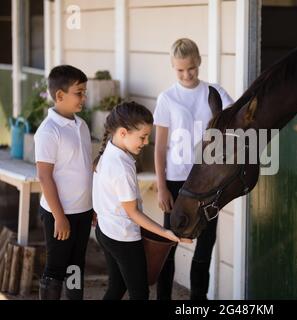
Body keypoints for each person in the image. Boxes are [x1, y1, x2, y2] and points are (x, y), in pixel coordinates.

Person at [154, 38, 234, 300]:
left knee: (205, 245)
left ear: (198, 62)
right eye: (180, 70)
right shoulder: (167, 98)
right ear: (172, 68)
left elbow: (235, 122)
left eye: (191, 68)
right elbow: (159, 146)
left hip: (208, 182)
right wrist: (162, 186)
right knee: (170, 243)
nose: (186, 74)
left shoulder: (215, 93)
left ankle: (198, 302)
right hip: (177, 182)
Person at [93, 102, 191, 300]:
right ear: (123, 133)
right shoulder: (120, 166)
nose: (146, 142)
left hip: (105, 231)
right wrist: (166, 233)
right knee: (140, 293)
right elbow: (133, 213)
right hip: (123, 238)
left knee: (117, 287)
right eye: (143, 137)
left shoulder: (111, 152)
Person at [35, 65, 93, 300]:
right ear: (60, 96)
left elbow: (85, 168)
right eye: (79, 92)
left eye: (84, 92)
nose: (84, 97)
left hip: (83, 210)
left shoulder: (82, 125)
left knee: (76, 266)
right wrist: (59, 217)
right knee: (56, 268)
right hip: (59, 213)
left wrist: (93, 205)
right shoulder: (48, 131)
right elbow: (44, 176)